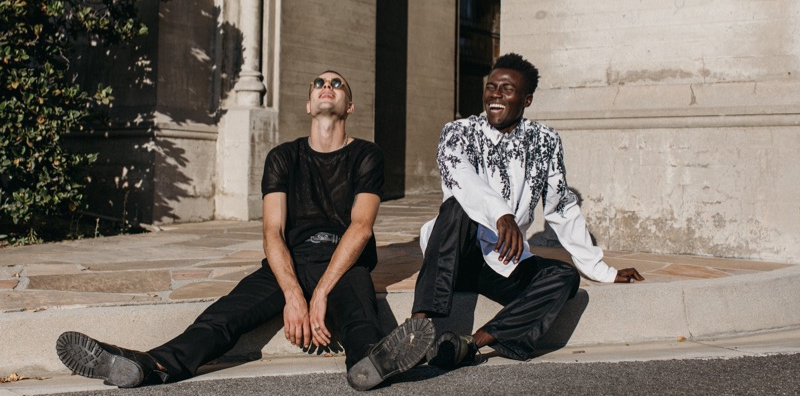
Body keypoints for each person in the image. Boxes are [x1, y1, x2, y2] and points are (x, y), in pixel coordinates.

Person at [56, 70, 435, 391]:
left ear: (348, 106)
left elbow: (361, 227)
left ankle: (370, 363)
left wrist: (319, 293)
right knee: (221, 319)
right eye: (318, 83)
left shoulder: (367, 155)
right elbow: (273, 231)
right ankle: (148, 365)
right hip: (288, 261)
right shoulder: (283, 157)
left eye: (337, 84)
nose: (326, 86)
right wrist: (292, 293)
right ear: (307, 105)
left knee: (359, 319)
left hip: (342, 264)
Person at [411, 53, 643, 367]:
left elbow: (561, 207)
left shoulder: (545, 141)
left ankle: (473, 342)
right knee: (456, 206)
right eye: (491, 86)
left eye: (506, 89)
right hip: (455, 257)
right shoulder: (459, 132)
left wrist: (603, 270)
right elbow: (461, 178)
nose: (495, 94)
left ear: (527, 99)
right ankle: (417, 328)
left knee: (564, 277)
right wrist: (500, 214)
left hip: (501, 259)